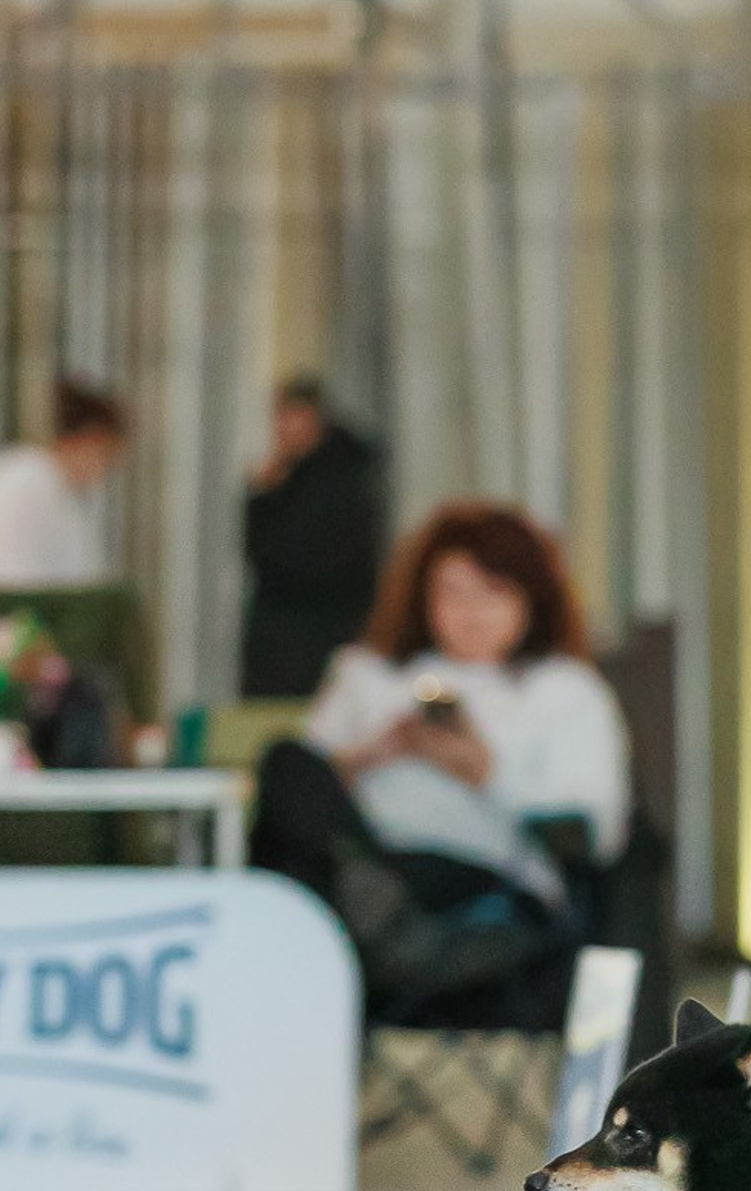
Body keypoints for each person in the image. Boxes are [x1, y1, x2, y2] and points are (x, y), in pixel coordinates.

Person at [251, 502, 630, 1026]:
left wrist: (484, 770)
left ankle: (376, 915)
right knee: (287, 761)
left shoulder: (563, 690)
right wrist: (370, 756)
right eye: (452, 593)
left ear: (531, 600)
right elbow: (304, 794)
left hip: (482, 881)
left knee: (372, 883)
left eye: (492, 593)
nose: (470, 613)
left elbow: (597, 832)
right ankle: (371, 903)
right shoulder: (368, 674)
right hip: (364, 856)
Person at [242, 378, 384, 699]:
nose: (281, 428)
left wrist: (266, 499)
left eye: (290, 416)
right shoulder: (297, 475)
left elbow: (284, 555)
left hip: (313, 634)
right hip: (296, 635)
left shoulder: (338, 482)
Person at [0, 379, 128, 587]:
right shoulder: (23, 486)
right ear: (90, 438)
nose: (105, 472)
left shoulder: (53, 488)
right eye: (107, 456)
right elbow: (12, 579)